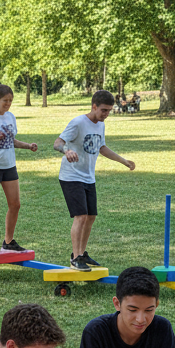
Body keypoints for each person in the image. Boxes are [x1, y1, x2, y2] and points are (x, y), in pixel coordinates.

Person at [54, 90, 135, 272]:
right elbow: (57, 142)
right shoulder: (78, 123)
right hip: (71, 176)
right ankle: (75, 258)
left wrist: (123, 161)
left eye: (109, 111)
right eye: (104, 110)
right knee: (81, 216)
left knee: (91, 217)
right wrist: (67, 150)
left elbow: (102, 148)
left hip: (88, 177)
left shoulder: (100, 125)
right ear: (94, 106)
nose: (106, 114)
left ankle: (82, 253)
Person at [0, 84, 39, 254]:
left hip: (9, 166)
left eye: (10, 101)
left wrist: (28, 146)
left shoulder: (10, 117)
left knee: (15, 204)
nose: (8, 104)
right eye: (5, 101)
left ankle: (8, 242)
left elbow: (12, 141)